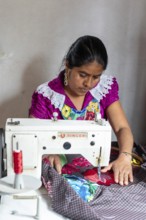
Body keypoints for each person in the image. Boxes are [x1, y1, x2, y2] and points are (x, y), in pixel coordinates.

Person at [29, 35, 134, 186]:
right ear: (68, 66)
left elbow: (121, 127)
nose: (88, 83)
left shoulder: (103, 89)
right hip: (59, 165)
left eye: (96, 77)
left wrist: (125, 156)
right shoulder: (47, 95)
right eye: (82, 75)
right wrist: (47, 153)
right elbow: (33, 137)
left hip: (94, 162)